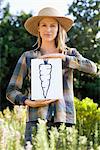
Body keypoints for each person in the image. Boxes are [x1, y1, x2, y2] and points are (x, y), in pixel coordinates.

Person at [6, 7, 97, 145]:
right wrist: (28, 102)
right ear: (38, 29)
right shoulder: (28, 57)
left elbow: (93, 68)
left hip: (64, 120)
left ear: (58, 28)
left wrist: (63, 58)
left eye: (52, 25)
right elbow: (11, 91)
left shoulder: (70, 54)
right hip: (36, 120)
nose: (48, 29)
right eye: (44, 25)